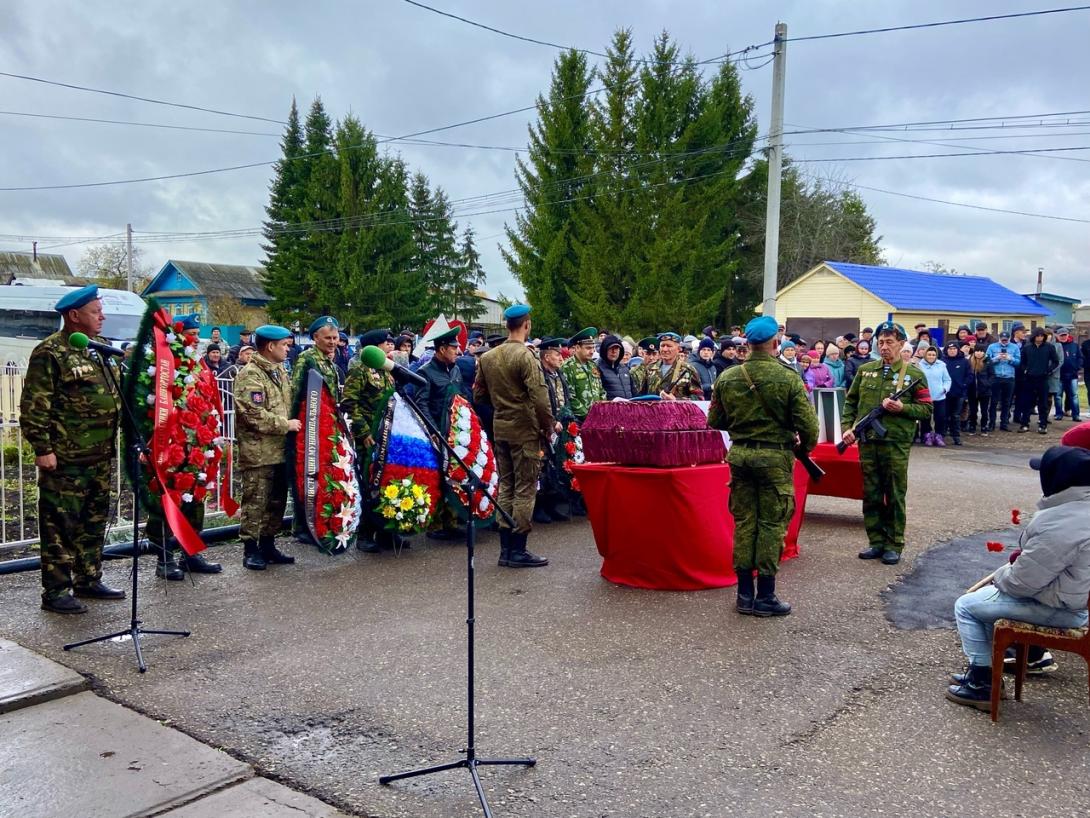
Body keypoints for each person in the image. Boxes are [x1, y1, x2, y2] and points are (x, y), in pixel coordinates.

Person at [946, 445, 1090, 710]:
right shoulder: (1079, 508)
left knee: (967, 606)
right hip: (1071, 598)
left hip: (1063, 609)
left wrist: (1002, 573)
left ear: (1058, 478)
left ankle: (981, 684)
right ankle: (989, 673)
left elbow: (1021, 583)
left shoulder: (1061, 522)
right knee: (986, 603)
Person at [20, 285, 126, 614]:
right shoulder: (49, 352)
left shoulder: (99, 348)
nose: (103, 316)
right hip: (65, 458)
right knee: (59, 525)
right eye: (96, 312)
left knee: (93, 522)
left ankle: (88, 578)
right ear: (74, 316)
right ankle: (55, 591)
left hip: (99, 456)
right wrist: (43, 448)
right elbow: (35, 406)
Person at [708, 315, 818, 617]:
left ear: (748, 343)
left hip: (740, 458)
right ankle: (765, 596)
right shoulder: (788, 377)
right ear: (774, 343)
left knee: (745, 523)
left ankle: (744, 594)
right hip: (774, 460)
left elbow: (714, 420)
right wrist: (802, 447)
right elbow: (809, 428)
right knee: (771, 524)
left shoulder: (728, 377)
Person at [841, 321, 933, 566]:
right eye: (880, 342)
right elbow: (851, 403)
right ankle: (876, 541)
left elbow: (926, 410)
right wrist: (847, 429)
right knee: (871, 493)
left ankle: (893, 544)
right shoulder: (866, 370)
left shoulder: (914, 374)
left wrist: (903, 408)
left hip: (895, 443)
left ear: (902, 344)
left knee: (894, 493)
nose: (884, 347)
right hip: (868, 441)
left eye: (889, 342)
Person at [474, 305, 556, 568]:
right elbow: (541, 399)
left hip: (501, 427)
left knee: (506, 486)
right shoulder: (526, 356)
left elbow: (478, 396)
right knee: (525, 488)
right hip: (525, 429)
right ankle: (518, 548)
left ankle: (505, 549)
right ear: (527, 325)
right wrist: (548, 426)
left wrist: (502, 406)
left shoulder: (488, 357)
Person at [146, 314, 224, 580]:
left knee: (195, 501)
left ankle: (190, 553)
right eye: (188, 333)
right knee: (170, 500)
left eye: (195, 333)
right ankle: (164, 557)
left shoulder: (200, 367)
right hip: (171, 447)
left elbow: (210, 401)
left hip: (198, 445)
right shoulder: (167, 364)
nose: (193, 338)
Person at [233, 325, 300, 570]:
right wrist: (286, 425)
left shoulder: (279, 371)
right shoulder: (251, 374)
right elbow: (252, 414)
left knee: (276, 501)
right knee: (255, 501)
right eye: (284, 345)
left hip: (280, 449)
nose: (287, 349)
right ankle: (250, 549)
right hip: (259, 452)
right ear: (270, 346)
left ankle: (268, 544)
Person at [341, 328, 401, 552]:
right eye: (386, 343)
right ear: (373, 347)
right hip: (369, 436)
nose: (390, 346)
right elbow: (349, 402)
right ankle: (365, 534)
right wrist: (363, 431)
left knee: (386, 483)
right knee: (369, 483)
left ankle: (387, 533)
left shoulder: (385, 369)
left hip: (386, 434)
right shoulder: (359, 370)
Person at [414, 327, 465, 541]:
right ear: (442, 349)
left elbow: (461, 397)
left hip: (456, 430)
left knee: (454, 475)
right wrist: (433, 430)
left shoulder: (455, 369)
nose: (459, 351)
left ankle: (452, 521)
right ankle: (436, 525)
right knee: (436, 478)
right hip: (437, 432)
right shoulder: (425, 372)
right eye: (454, 347)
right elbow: (421, 403)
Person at [633, 332, 705, 400]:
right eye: (662, 346)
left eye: (669, 346)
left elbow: (699, 398)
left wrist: (676, 400)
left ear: (678, 349)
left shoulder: (688, 370)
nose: (665, 349)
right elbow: (642, 395)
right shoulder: (650, 368)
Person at [1020, 327, 1060, 435]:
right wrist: (1025, 370)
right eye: (1038, 336)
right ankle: (1024, 424)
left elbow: (1056, 361)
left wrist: (1048, 370)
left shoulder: (1049, 347)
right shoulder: (1027, 347)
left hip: (1043, 379)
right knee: (1027, 402)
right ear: (1034, 336)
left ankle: (1043, 425)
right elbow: (1022, 362)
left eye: (1042, 336)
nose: (1040, 338)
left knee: (1043, 403)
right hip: (1029, 378)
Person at [561, 327, 606, 421]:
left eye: (593, 348)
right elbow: (570, 397)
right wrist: (588, 416)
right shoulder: (567, 367)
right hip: (579, 420)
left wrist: (602, 411)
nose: (592, 351)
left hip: (598, 418)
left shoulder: (593, 365)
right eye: (588, 348)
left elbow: (601, 390)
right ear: (577, 348)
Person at [292, 315, 342, 400]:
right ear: (316, 337)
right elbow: (297, 392)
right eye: (328, 338)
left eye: (335, 338)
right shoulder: (306, 358)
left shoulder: (328, 359)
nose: (332, 342)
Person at [986, 330, 1020, 432]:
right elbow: (986, 361)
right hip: (996, 377)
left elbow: (1018, 362)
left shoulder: (1014, 347)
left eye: (1006, 340)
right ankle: (991, 423)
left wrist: (1010, 358)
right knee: (993, 401)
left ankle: (1004, 423)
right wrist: (997, 358)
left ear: (1009, 338)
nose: (1004, 342)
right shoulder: (992, 347)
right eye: (1002, 340)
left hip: (1009, 377)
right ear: (999, 338)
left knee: (1007, 402)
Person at [917, 346, 951, 446]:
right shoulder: (919, 365)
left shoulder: (941, 365)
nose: (931, 356)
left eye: (933, 355)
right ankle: (926, 435)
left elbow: (947, 380)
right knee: (925, 418)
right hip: (925, 397)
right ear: (925, 355)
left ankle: (939, 435)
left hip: (939, 396)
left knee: (940, 417)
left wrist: (945, 389)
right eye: (929, 354)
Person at [942, 341, 969, 446]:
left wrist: (964, 385)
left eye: (954, 349)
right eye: (950, 349)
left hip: (959, 393)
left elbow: (969, 375)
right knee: (945, 416)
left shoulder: (964, 361)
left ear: (958, 350)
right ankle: (942, 435)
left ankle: (956, 436)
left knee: (956, 416)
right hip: (945, 394)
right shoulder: (942, 361)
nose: (952, 351)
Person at [965, 345, 994, 436]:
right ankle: (972, 426)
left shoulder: (988, 362)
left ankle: (984, 426)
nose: (979, 353)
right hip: (972, 390)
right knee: (973, 410)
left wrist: (987, 384)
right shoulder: (969, 361)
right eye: (977, 351)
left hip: (984, 391)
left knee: (984, 411)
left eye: (981, 351)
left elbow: (992, 375)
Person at [1055, 327, 1083, 422]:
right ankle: (1058, 413)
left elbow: (1080, 358)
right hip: (1059, 375)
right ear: (1057, 336)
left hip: (1072, 375)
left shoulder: (1074, 345)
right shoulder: (1055, 346)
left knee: (1074, 395)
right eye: (1061, 335)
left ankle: (1076, 415)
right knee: (1058, 396)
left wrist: (1077, 367)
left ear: (1068, 335)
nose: (1063, 337)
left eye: (1065, 335)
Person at [598, 334, 634, 400]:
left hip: (628, 408)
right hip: (609, 409)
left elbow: (633, 392)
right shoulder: (598, 368)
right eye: (611, 348)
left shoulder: (625, 368)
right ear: (605, 349)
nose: (614, 351)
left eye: (617, 348)